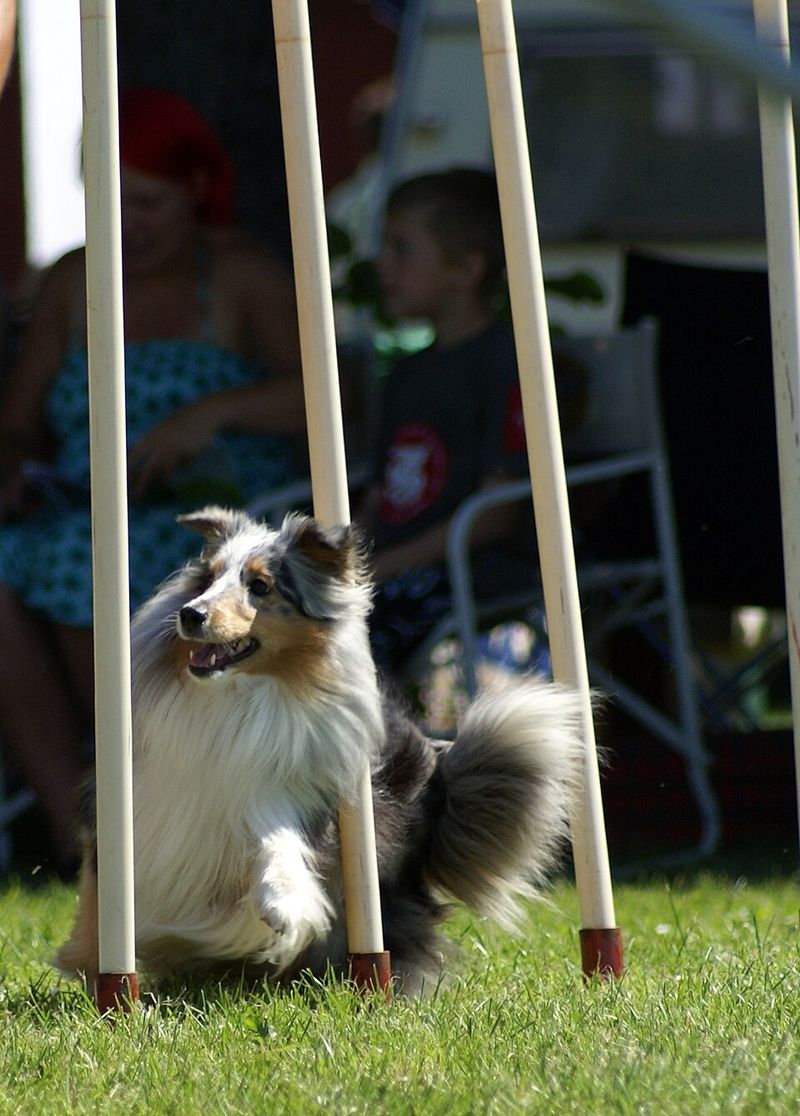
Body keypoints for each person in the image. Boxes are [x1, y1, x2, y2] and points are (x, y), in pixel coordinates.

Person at [0, 87, 306, 875]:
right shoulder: (73, 282)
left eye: (148, 203)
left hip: (215, 526)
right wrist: (12, 472)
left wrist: (211, 413)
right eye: (109, 202)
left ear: (197, 190)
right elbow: (17, 422)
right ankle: (81, 830)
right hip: (84, 512)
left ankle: (139, 795)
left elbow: (325, 396)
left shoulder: (241, 277)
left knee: (80, 560)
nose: (127, 225)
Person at [357, 167, 530, 675]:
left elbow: (497, 515)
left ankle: (383, 753)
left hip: (476, 568)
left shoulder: (506, 360)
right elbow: (380, 493)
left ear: (466, 270)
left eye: (401, 249)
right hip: (404, 566)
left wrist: (384, 566)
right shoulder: (408, 371)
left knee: (361, 637)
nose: (382, 265)